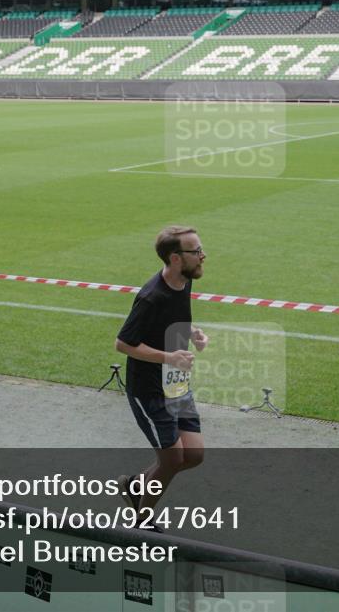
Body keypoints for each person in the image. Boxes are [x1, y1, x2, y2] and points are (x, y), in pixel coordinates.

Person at [114, 225, 209, 526]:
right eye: (195, 251)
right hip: (150, 390)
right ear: (176, 258)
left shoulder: (184, 282)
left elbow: (173, 319)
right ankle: (141, 522)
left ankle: (136, 485)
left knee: (193, 455)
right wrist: (169, 356)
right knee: (171, 460)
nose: (202, 256)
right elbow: (123, 343)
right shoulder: (151, 297)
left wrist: (192, 333)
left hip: (176, 384)